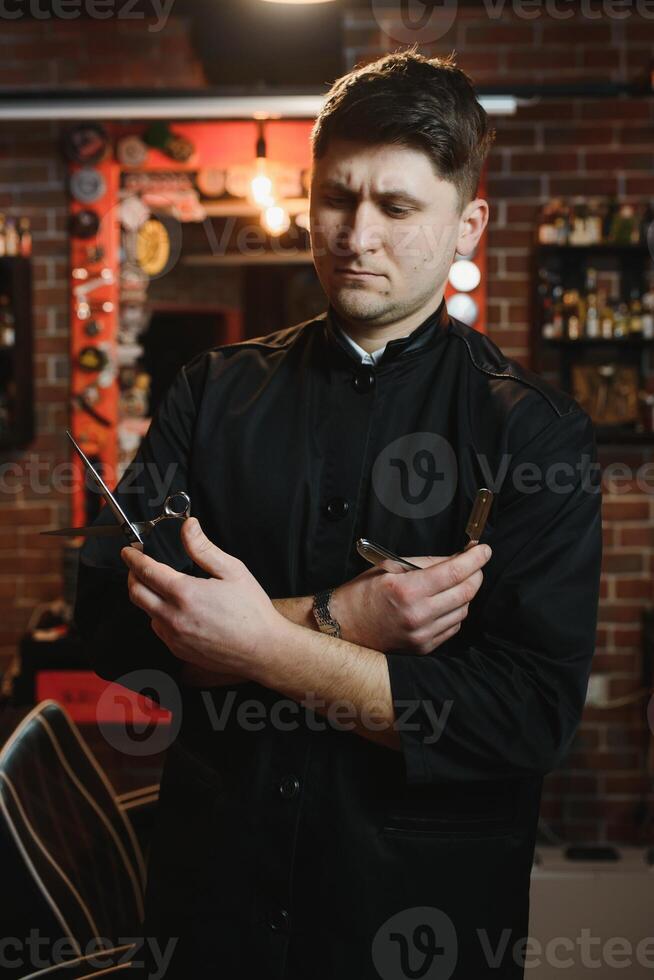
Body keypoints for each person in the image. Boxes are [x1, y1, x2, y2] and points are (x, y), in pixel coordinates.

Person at [74, 50, 602, 980]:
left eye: (397, 208)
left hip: (415, 914)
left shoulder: (534, 435)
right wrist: (339, 621)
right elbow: (109, 625)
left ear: (466, 224)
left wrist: (263, 642)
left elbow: (524, 717)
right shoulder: (211, 393)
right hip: (215, 902)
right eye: (336, 198)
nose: (356, 235)